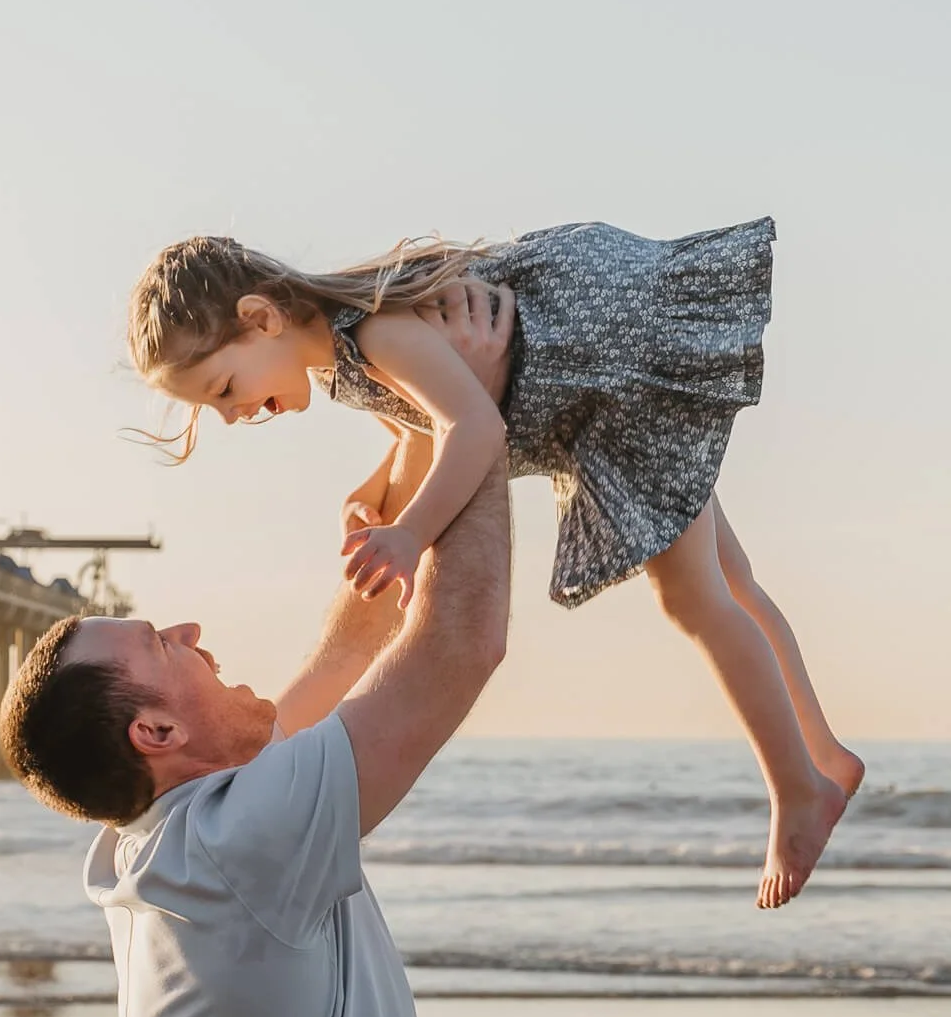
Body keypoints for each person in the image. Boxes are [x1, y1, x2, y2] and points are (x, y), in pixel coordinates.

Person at [127, 221, 859, 909]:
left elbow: (472, 425)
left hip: (604, 363)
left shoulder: (372, 331)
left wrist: (411, 533)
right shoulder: (348, 358)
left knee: (692, 599)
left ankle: (798, 791)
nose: (232, 415)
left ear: (261, 318)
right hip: (599, 362)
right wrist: (376, 490)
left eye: (224, 390)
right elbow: (427, 423)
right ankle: (825, 754)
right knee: (731, 582)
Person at [0, 283, 518, 1017]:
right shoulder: (238, 849)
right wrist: (481, 408)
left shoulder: (171, 844)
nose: (192, 628)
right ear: (154, 733)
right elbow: (462, 640)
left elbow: (350, 653)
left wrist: (410, 467)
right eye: (165, 643)